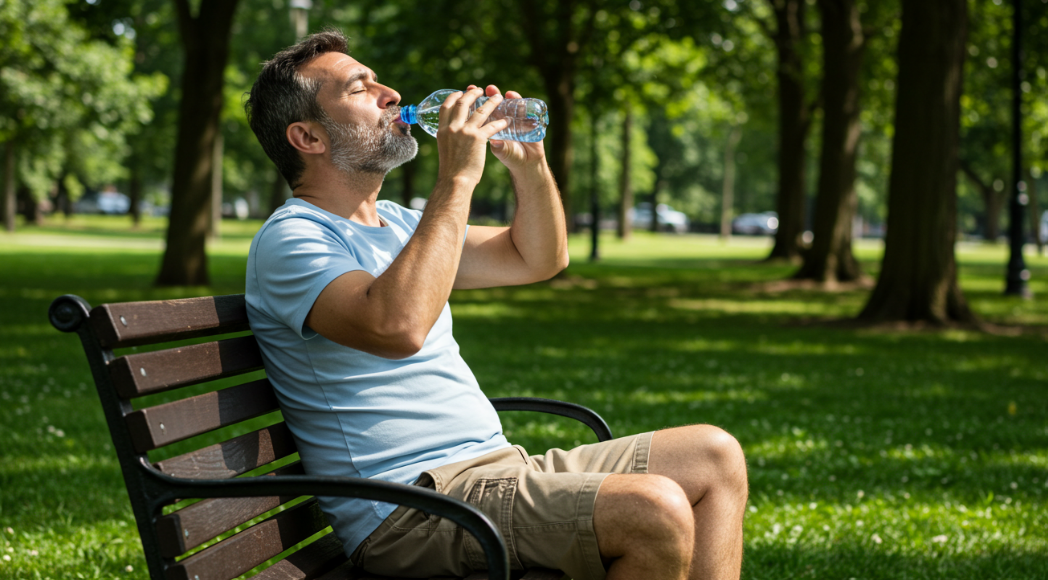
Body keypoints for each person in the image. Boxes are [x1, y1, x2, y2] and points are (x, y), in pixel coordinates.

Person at [244, 30, 748, 580]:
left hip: (496, 469)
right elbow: (397, 327)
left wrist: (528, 168)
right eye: (361, 88)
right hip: (409, 507)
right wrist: (458, 176)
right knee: (652, 509)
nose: (390, 94)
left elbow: (537, 257)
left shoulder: (402, 222)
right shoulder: (293, 238)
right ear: (308, 137)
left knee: (714, 456)